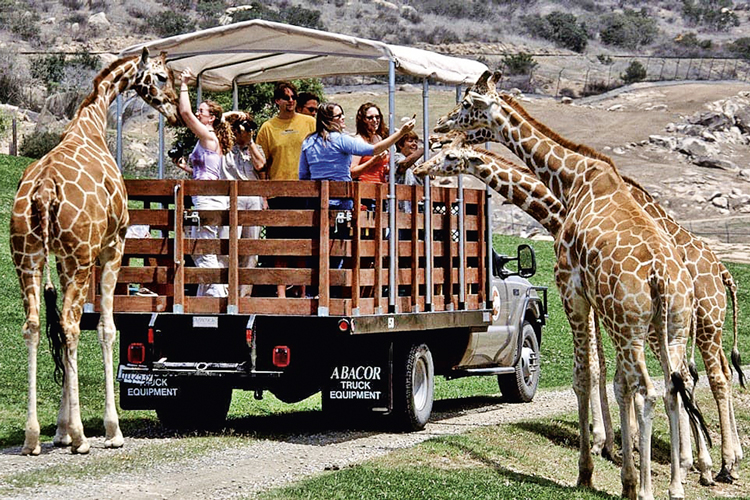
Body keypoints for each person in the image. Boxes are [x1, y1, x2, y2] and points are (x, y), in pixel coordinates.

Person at [299, 102, 415, 274]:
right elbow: (375, 149)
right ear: (328, 120)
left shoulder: (308, 142)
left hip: (316, 201)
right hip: (341, 201)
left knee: (317, 243)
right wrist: (401, 133)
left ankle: (313, 290)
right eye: (339, 116)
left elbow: (303, 175)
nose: (343, 118)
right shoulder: (341, 140)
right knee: (339, 244)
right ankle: (334, 288)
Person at [174, 68, 233, 298]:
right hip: (205, 195)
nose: (198, 115)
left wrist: (184, 85)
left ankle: (218, 297)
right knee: (202, 248)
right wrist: (185, 168)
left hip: (208, 198)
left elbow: (185, 113)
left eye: (203, 112)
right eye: (200, 111)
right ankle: (207, 296)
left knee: (204, 249)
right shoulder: (207, 140)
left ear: (212, 118)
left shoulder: (208, 136)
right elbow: (205, 171)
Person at [255, 82, 316, 298]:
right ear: (277, 101)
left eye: (293, 97)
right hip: (278, 192)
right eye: (285, 97)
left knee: (301, 244)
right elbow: (261, 163)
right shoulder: (268, 128)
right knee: (280, 245)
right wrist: (263, 194)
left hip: (305, 191)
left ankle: (301, 291)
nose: (290, 101)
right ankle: (280, 292)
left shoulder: (310, 123)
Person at [222, 111, 266, 298]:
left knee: (251, 248)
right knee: (227, 246)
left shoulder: (255, 148)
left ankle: (243, 296)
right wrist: (233, 117)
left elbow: (261, 166)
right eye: (242, 126)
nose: (245, 130)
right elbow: (218, 123)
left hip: (251, 195)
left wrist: (250, 142)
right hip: (230, 196)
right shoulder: (224, 147)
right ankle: (224, 291)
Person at [350, 102, 390, 184]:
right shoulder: (359, 141)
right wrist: (373, 161)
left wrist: (387, 169)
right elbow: (352, 172)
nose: (374, 120)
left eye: (377, 117)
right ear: (363, 120)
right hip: (364, 188)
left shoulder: (379, 138)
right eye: (370, 118)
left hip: (381, 187)